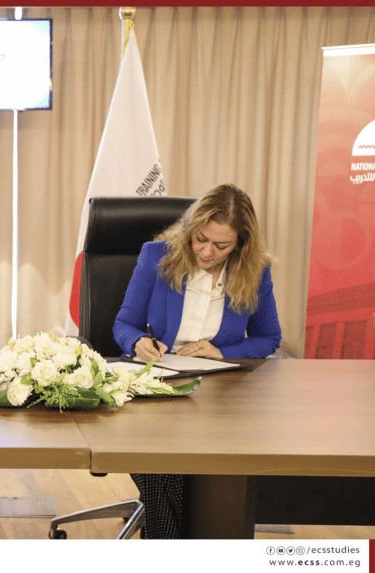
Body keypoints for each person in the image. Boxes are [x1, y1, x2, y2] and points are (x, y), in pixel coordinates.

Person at [113, 183, 281, 538]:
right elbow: (124, 325)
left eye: (221, 245)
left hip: (221, 396)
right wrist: (139, 342)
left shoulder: (256, 271)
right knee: (163, 463)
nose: (206, 251)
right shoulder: (156, 256)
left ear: (241, 244)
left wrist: (222, 352)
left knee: (191, 471)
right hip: (157, 387)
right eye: (200, 239)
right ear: (190, 230)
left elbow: (269, 338)